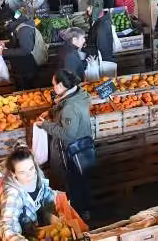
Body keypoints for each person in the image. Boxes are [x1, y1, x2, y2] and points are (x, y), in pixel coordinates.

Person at [37, 69, 93, 220]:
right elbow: (66, 108)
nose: (53, 87)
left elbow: (68, 134)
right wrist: (51, 112)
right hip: (84, 146)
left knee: (74, 183)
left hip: (72, 150)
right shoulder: (79, 95)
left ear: (62, 85)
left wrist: (46, 125)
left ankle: (79, 215)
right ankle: (83, 210)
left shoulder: (70, 108)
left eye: (54, 85)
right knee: (82, 180)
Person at [0, 146, 59, 241]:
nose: (30, 175)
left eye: (31, 168)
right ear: (13, 174)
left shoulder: (38, 178)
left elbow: (45, 201)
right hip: (24, 236)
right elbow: (7, 226)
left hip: (38, 231)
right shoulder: (13, 194)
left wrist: (48, 216)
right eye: (22, 172)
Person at [2, 14, 47, 91]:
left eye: (7, 23)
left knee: (26, 88)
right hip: (23, 66)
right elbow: (18, 42)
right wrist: (5, 45)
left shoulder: (24, 30)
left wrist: (4, 52)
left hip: (27, 67)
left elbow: (25, 50)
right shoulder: (21, 28)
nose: (6, 25)